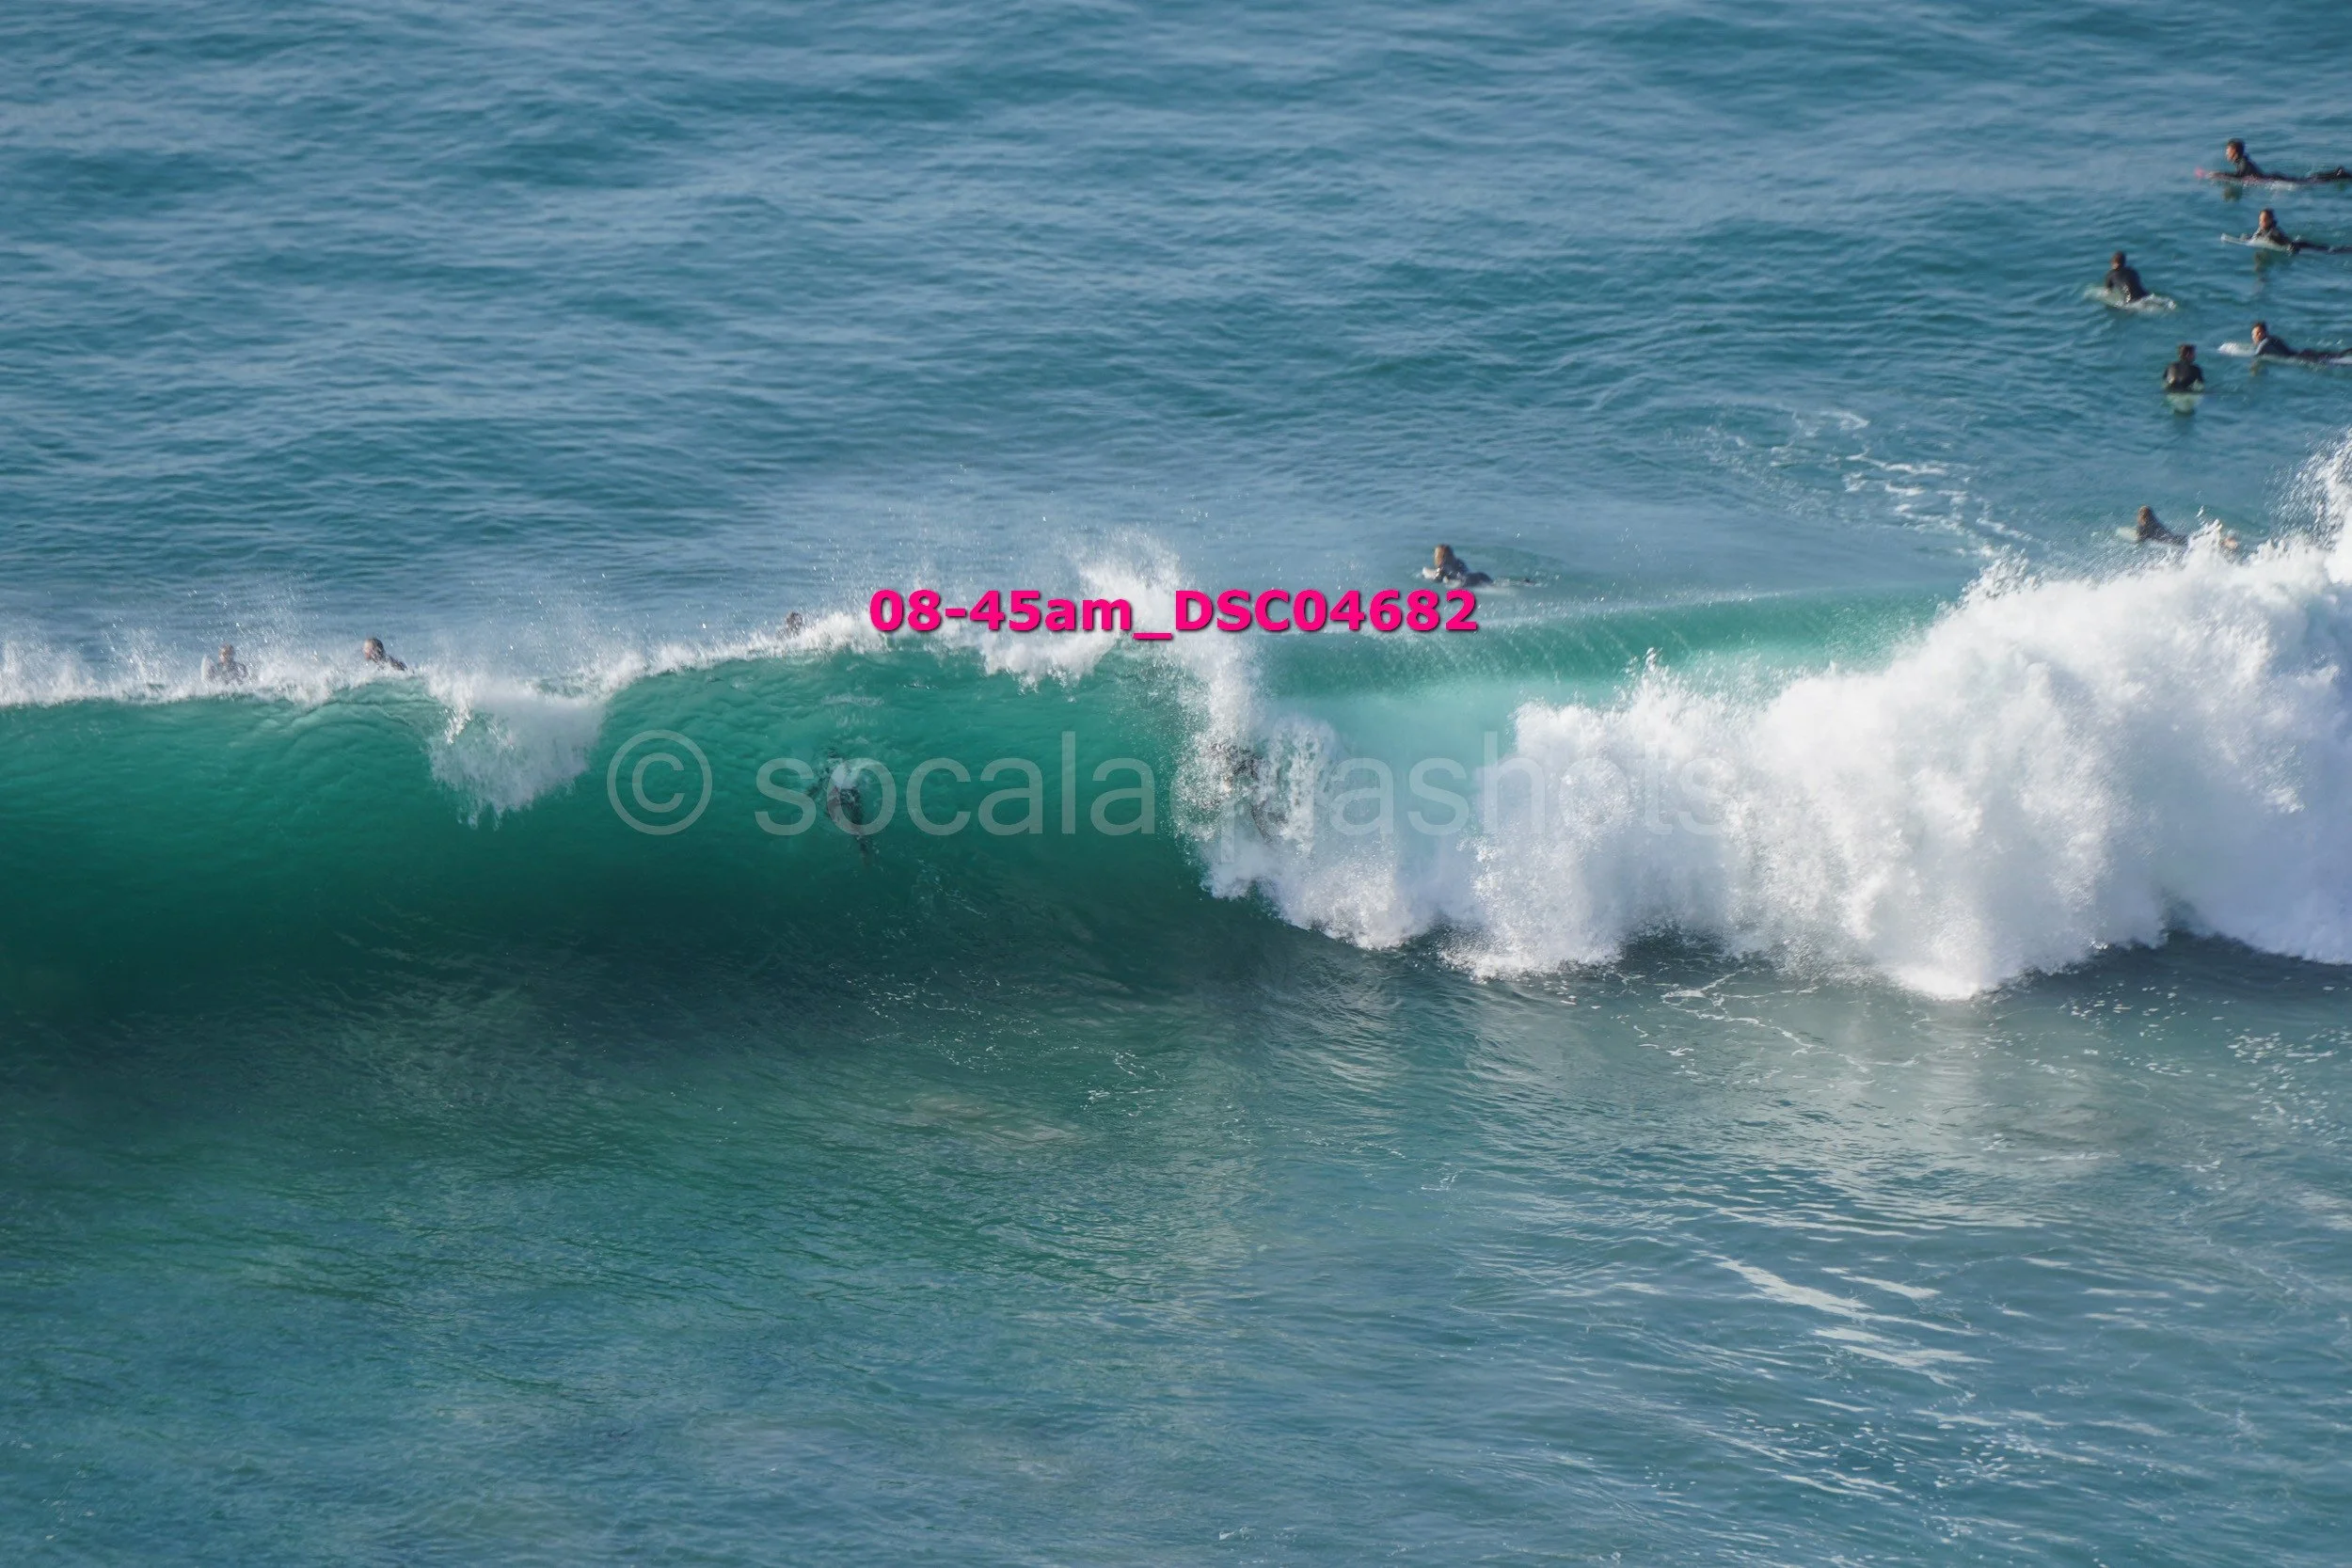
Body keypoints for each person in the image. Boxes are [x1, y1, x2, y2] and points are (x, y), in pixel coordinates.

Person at [2221, 139, 2351, 184]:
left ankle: (2338, 175)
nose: (2226, 153)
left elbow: (2239, 176)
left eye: (2228, 150)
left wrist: (2218, 175)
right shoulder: (2243, 161)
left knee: (2309, 181)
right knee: (2308, 179)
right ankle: (2337, 173)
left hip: (2275, 180)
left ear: (2235, 151)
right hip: (2273, 177)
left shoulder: (2243, 162)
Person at [2249, 321, 2328, 361]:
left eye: (2256, 333)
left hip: (2301, 357)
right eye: (2253, 334)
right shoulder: (2272, 338)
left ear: (2262, 333)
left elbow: (2256, 356)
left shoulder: (2265, 343)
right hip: (2302, 353)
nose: (2254, 336)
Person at [1426, 545, 1492, 587]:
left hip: (1467, 580)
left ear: (1438, 556)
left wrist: (1426, 576)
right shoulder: (1459, 560)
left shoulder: (1442, 566)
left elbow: (1438, 580)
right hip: (1481, 575)